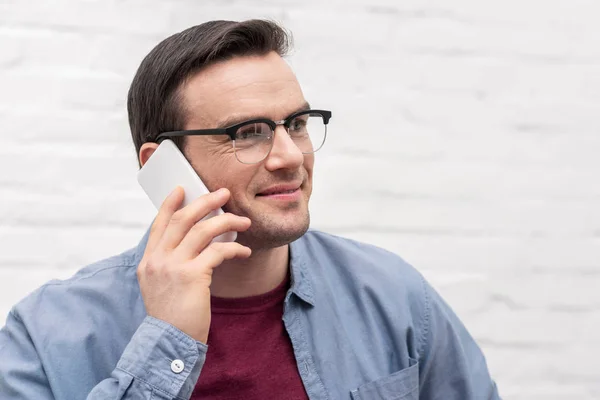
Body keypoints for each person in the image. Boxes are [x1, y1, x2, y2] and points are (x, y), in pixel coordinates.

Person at [0, 19, 501, 400]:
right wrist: (167, 341)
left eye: (298, 123)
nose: (290, 156)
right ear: (163, 166)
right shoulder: (46, 335)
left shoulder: (394, 297)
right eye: (249, 133)